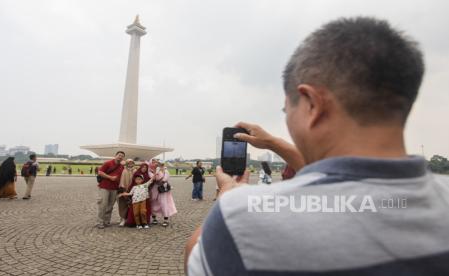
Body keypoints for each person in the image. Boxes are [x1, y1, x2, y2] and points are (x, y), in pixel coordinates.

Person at [185, 17, 449, 275]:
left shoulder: (243, 216)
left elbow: (196, 258)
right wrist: (275, 144)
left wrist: (227, 197)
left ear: (311, 104)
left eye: (286, 108)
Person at [96, 151, 125, 229]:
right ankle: (99, 222)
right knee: (103, 204)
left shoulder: (122, 167)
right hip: (104, 187)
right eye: (119, 155)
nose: (120, 157)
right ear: (115, 155)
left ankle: (106, 221)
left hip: (114, 188)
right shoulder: (108, 163)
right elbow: (100, 172)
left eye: (122, 156)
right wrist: (110, 177)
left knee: (110, 206)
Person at [125, 162, 153, 227]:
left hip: (144, 196)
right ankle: (136, 223)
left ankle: (145, 222)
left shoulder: (147, 175)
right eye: (143, 167)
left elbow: (151, 182)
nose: (144, 169)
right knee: (136, 211)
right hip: (136, 198)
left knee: (143, 211)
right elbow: (132, 183)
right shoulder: (137, 173)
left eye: (146, 168)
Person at [150, 162, 177, 227]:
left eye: (161, 165)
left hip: (162, 189)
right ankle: (154, 218)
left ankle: (166, 219)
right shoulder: (151, 171)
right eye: (157, 165)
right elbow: (153, 179)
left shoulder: (166, 171)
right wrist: (155, 173)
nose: (159, 166)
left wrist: (159, 176)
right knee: (153, 202)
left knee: (163, 203)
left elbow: (165, 179)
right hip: (154, 188)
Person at [118, 159, 136, 227]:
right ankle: (122, 219)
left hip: (132, 190)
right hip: (124, 190)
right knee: (123, 205)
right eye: (129, 162)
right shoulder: (124, 170)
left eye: (131, 162)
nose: (130, 164)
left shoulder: (135, 170)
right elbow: (121, 180)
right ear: (127, 163)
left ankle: (130, 219)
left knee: (131, 205)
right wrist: (123, 189)